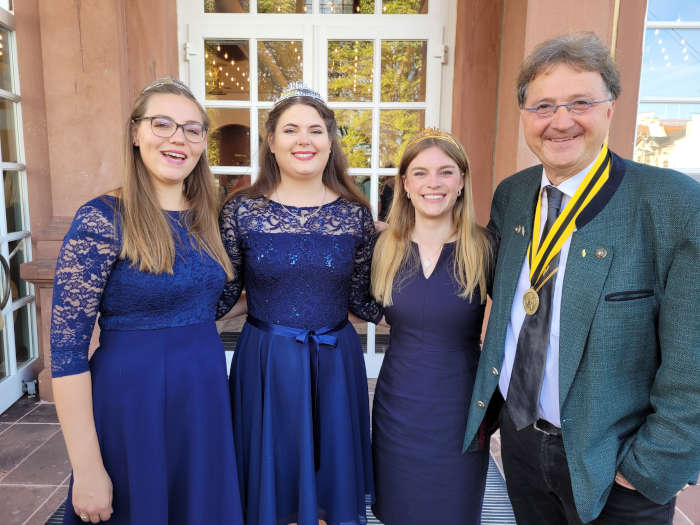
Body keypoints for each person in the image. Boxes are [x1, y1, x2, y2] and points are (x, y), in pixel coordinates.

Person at [463, 33, 700, 524]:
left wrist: (649, 469)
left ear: (610, 109)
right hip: (523, 444)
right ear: (525, 116)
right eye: (544, 105)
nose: (561, 120)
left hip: (615, 466)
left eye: (580, 102)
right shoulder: (513, 196)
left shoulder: (674, 204)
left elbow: (693, 364)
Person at [50, 78, 244, 524]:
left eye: (193, 129)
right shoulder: (101, 219)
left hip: (203, 394)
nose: (178, 138)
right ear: (135, 133)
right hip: (131, 399)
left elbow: (209, 304)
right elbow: (66, 354)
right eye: (163, 124)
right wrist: (86, 469)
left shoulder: (210, 217)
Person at [217, 83, 382, 525]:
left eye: (315, 129)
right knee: (271, 478)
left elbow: (363, 301)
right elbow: (225, 294)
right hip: (266, 363)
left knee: (331, 482)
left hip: (335, 364)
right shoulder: (240, 210)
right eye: (290, 129)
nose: (303, 140)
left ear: (330, 141)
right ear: (271, 142)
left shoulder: (355, 213)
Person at [370, 129, 494, 525]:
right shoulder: (384, 248)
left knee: (452, 510)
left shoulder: (485, 248)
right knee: (398, 510)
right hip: (397, 407)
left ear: (461, 182)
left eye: (445, 172)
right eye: (420, 173)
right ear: (404, 184)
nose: (433, 184)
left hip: (459, 410)